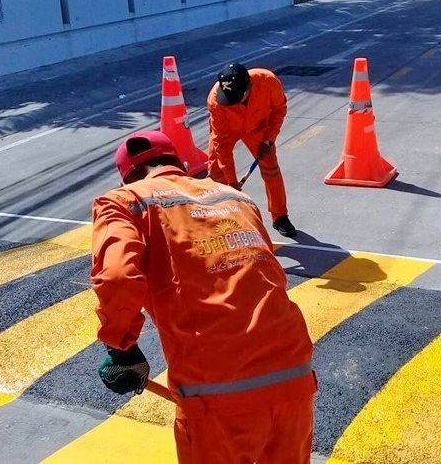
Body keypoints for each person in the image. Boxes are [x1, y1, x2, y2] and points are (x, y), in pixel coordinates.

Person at [91, 130, 317, 463]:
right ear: (179, 162)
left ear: (127, 178)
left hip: (217, 393)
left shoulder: (126, 202)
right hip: (293, 377)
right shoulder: (234, 197)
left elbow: (116, 276)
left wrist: (122, 347)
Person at [206, 62, 297, 238]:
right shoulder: (216, 100)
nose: (231, 103)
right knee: (216, 173)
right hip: (227, 131)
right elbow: (222, 146)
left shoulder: (268, 81)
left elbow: (279, 109)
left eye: (236, 98)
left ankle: (280, 217)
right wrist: (232, 184)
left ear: (249, 88)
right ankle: (216, 216)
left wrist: (269, 139)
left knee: (271, 169)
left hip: (258, 128)